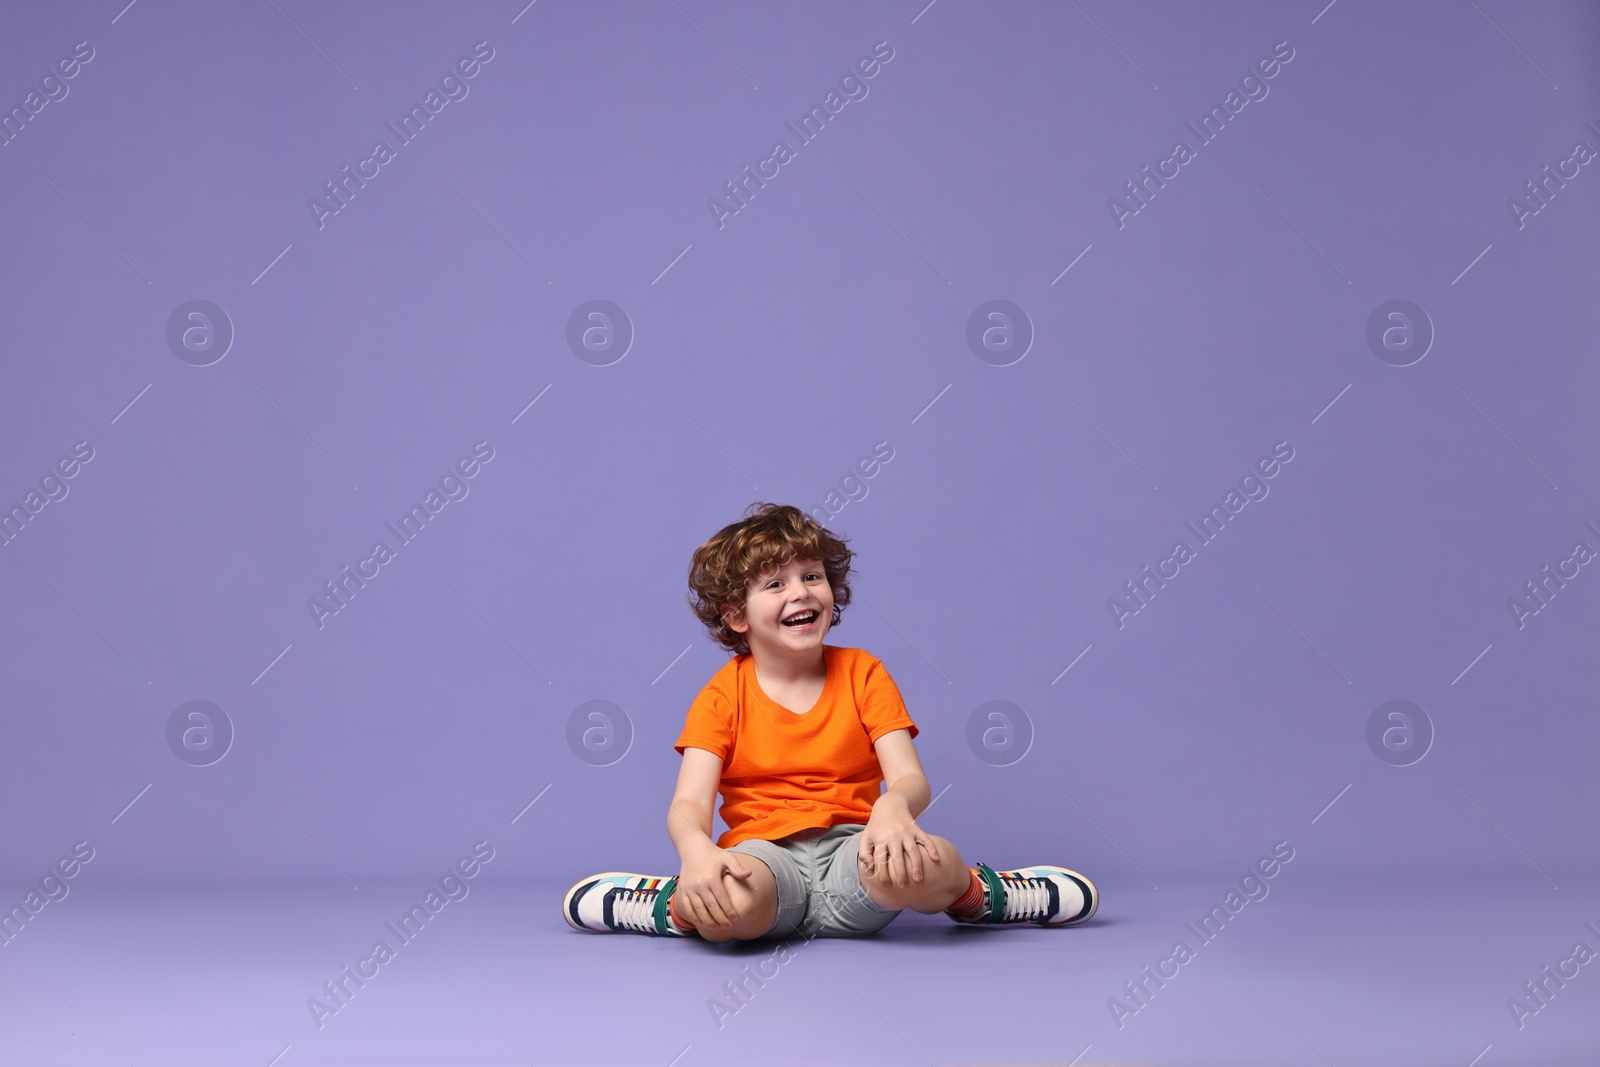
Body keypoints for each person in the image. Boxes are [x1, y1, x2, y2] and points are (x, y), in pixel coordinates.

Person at [563, 502, 1097, 940]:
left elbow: (910, 778)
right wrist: (697, 852)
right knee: (729, 910)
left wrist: (892, 808)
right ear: (736, 615)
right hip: (763, 861)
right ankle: (673, 906)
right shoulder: (722, 696)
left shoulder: (863, 672)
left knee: (928, 861)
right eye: (774, 584)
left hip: (857, 852)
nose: (800, 592)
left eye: (811, 576)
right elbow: (688, 806)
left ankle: (985, 896)